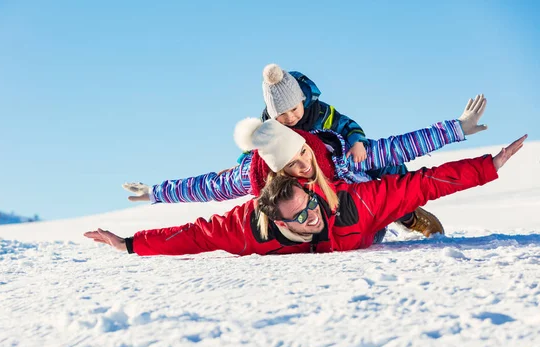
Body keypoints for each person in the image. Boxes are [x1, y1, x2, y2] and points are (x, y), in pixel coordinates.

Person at [84, 135, 526, 257]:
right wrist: (127, 243)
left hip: (369, 214)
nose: (311, 220)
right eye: (299, 219)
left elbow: (425, 180)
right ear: (276, 220)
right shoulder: (250, 229)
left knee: (400, 194)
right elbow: (194, 234)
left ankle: (406, 218)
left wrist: (488, 166)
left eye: (309, 208)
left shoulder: (347, 201)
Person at [126, 93, 489, 237]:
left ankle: (407, 214)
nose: (302, 166)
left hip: (361, 204)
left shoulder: (335, 152)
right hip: (328, 225)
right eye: (290, 165)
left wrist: (457, 128)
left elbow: (399, 146)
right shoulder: (257, 176)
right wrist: (156, 192)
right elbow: (207, 186)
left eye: (301, 154)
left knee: (385, 177)